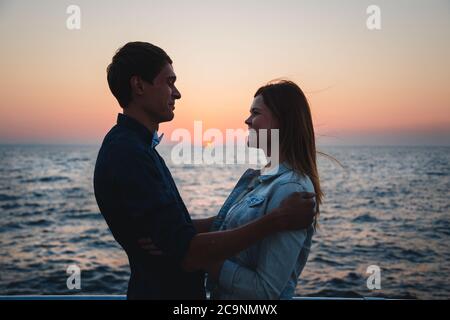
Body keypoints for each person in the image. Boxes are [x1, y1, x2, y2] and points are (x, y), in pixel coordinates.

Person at [93, 42, 316, 299]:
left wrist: (181, 235)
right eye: (169, 82)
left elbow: (182, 238)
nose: (177, 93)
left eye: (255, 112)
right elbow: (188, 253)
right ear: (139, 85)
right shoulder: (129, 153)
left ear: (283, 122)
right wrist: (275, 220)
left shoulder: (138, 149)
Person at [207, 80, 321, 299]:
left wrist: (206, 261)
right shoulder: (262, 180)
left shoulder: (290, 189)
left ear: (282, 122)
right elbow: (221, 226)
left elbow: (265, 290)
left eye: (256, 112)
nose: (247, 120)